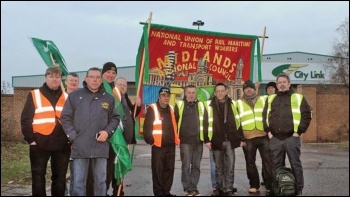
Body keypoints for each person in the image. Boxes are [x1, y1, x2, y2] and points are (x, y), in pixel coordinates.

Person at [61, 67, 120, 196]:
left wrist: (107, 132)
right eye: (92, 77)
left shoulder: (109, 98)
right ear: (86, 79)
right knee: (78, 183)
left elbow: (115, 118)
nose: (95, 80)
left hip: (100, 147)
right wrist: (73, 137)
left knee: (100, 182)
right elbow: (65, 118)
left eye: (98, 77)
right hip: (80, 147)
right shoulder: (75, 96)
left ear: (101, 80)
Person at [20, 66, 71, 196]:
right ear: (46, 77)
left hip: (62, 144)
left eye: (58, 76)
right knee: (38, 178)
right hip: (39, 143)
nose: (55, 79)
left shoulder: (67, 97)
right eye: (51, 76)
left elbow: (72, 120)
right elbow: (26, 119)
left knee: (60, 180)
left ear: (61, 79)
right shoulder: (34, 94)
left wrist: (70, 139)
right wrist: (30, 140)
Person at [262, 73, 312, 196]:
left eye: (284, 82)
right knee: (276, 166)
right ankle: (276, 189)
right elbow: (264, 117)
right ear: (277, 85)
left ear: (289, 84)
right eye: (280, 82)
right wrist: (268, 132)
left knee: (295, 164)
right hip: (275, 139)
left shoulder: (298, 97)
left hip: (291, 138)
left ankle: (298, 189)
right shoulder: (270, 99)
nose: (282, 84)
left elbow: (306, 115)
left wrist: (298, 132)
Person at [204, 83, 244, 196]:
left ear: (226, 91)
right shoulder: (209, 106)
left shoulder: (233, 104)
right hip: (216, 140)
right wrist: (207, 140)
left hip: (230, 141)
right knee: (218, 167)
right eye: (218, 91)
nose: (220, 93)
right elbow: (205, 123)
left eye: (222, 91)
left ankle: (228, 188)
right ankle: (219, 188)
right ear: (215, 93)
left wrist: (241, 138)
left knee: (230, 166)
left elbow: (238, 122)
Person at [236, 80, 273, 193]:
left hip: (263, 135)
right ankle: (254, 185)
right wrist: (240, 138)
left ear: (254, 89)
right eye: (246, 88)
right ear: (243, 90)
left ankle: (269, 185)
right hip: (248, 137)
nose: (249, 89)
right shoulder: (238, 103)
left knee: (268, 161)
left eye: (251, 88)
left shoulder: (263, 99)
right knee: (250, 162)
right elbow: (236, 122)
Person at [143, 86, 180, 196]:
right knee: (158, 171)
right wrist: (150, 140)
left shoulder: (171, 109)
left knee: (169, 170)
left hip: (170, 146)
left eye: (167, 96)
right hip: (158, 146)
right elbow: (147, 127)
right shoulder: (152, 108)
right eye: (163, 96)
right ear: (159, 96)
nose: (166, 98)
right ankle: (159, 193)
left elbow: (175, 125)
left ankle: (166, 192)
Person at [174, 85, 209, 196]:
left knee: (196, 166)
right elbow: (174, 122)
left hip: (198, 140)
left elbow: (206, 122)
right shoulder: (179, 105)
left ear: (196, 93)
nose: (191, 94)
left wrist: (206, 138)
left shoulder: (201, 105)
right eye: (189, 92)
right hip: (185, 141)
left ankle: (194, 187)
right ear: (185, 93)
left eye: (193, 92)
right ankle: (187, 188)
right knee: (185, 165)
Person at [114, 77, 142, 195]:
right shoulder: (113, 98)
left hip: (125, 139)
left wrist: (138, 105)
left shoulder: (125, 98)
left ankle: (119, 191)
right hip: (116, 139)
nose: (122, 87)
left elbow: (132, 114)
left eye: (124, 85)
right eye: (120, 84)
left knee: (121, 166)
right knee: (114, 166)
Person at [63, 72, 80, 196]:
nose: (73, 83)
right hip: (61, 139)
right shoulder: (59, 97)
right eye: (71, 80)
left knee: (76, 172)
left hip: (77, 140)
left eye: (76, 81)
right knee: (61, 171)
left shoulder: (81, 97)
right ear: (65, 82)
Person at [260, 81, 278, 187]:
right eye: (268, 88)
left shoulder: (278, 99)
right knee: (265, 157)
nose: (270, 89)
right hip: (267, 133)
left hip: (277, 133)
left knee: (276, 157)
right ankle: (266, 178)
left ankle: (275, 178)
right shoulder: (264, 99)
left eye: (272, 88)